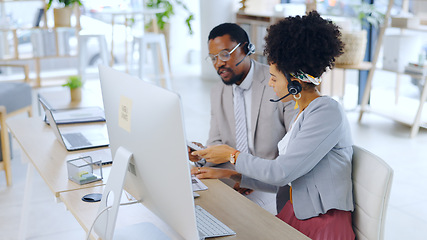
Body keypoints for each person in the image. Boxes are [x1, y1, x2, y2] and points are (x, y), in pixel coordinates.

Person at [191, 11, 355, 239]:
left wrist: (233, 156)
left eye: (275, 78)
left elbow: (281, 172)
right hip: (295, 212)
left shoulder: (326, 111)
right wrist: (231, 175)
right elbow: (290, 180)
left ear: (295, 81)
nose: (270, 83)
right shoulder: (304, 112)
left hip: (321, 225)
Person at [189, 23, 297, 214]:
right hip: (231, 176)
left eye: (224, 54)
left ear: (247, 49)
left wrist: (251, 178)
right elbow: (216, 143)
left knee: (233, 215)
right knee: (195, 204)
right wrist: (201, 156)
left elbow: (293, 150)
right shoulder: (218, 92)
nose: (218, 63)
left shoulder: (277, 82)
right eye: (213, 58)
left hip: (268, 184)